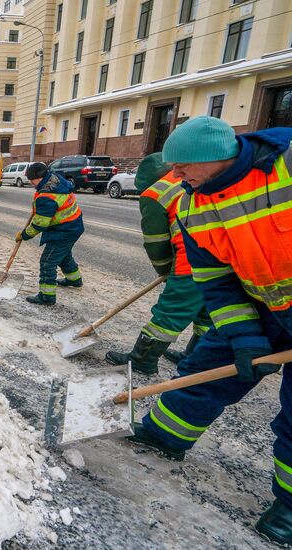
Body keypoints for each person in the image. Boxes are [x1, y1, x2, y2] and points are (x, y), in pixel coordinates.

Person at [126, 116, 292, 545]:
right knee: (208, 364)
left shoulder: (286, 164)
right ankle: (165, 433)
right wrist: (245, 336)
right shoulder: (192, 204)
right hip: (263, 302)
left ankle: (290, 508)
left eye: (182, 168)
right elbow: (215, 281)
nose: (175, 177)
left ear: (216, 157)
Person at [105, 153, 212, 374]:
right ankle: (195, 356)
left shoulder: (155, 193)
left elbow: (156, 242)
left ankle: (142, 360)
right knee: (206, 310)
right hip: (223, 256)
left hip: (193, 261)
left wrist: (165, 270)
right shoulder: (194, 178)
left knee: (170, 312)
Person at [16, 162, 84, 306]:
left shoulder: (47, 196)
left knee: (48, 261)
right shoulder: (55, 180)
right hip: (73, 225)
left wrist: (24, 235)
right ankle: (74, 279)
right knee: (63, 255)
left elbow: (40, 224)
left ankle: (47, 296)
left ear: (39, 178)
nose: (30, 182)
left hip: (63, 231)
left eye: (31, 179)